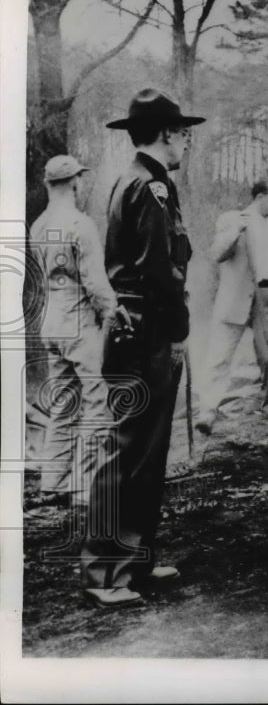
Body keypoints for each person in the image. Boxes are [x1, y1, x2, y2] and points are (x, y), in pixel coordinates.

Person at [81, 88, 203, 607]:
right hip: (144, 331)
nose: (186, 144)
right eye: (183, 134)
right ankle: (102, 574)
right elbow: (159, 271)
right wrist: (179, 330)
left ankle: (137, 561)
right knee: (128, 450)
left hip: (143, 329)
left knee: (149, 452)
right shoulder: (148, 186)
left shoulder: (143, 182)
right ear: (167, 134)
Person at [28, 155, 120, 507]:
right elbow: (95, 282)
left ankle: (53, 482)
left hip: (50, 320)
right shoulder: (80, 224)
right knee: (98, 400)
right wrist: (112, 311)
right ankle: (85, 486)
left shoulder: (38, 225)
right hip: (79, 320)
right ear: (75, 183)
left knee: (63, 403)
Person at [196, 181, 268, 435]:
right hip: (236, 295)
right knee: (220, 354)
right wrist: (235, 230)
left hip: (267, 294)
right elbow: (216, 254)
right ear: (260, 197)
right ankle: (207, 410)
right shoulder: (231, 219)